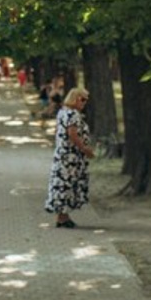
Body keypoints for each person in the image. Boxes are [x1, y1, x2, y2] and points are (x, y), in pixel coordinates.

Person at [44, 87, 94, 228]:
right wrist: (84, 149)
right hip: (70, 157)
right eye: (82, 99)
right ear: (75, 98)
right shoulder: (72, 114)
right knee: (66, 184)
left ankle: (62, 216)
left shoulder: (63, 112)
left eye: (86, 100)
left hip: (63, 155)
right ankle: (62, 217)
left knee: (62, 184)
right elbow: (72, 134)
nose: (84, 103)